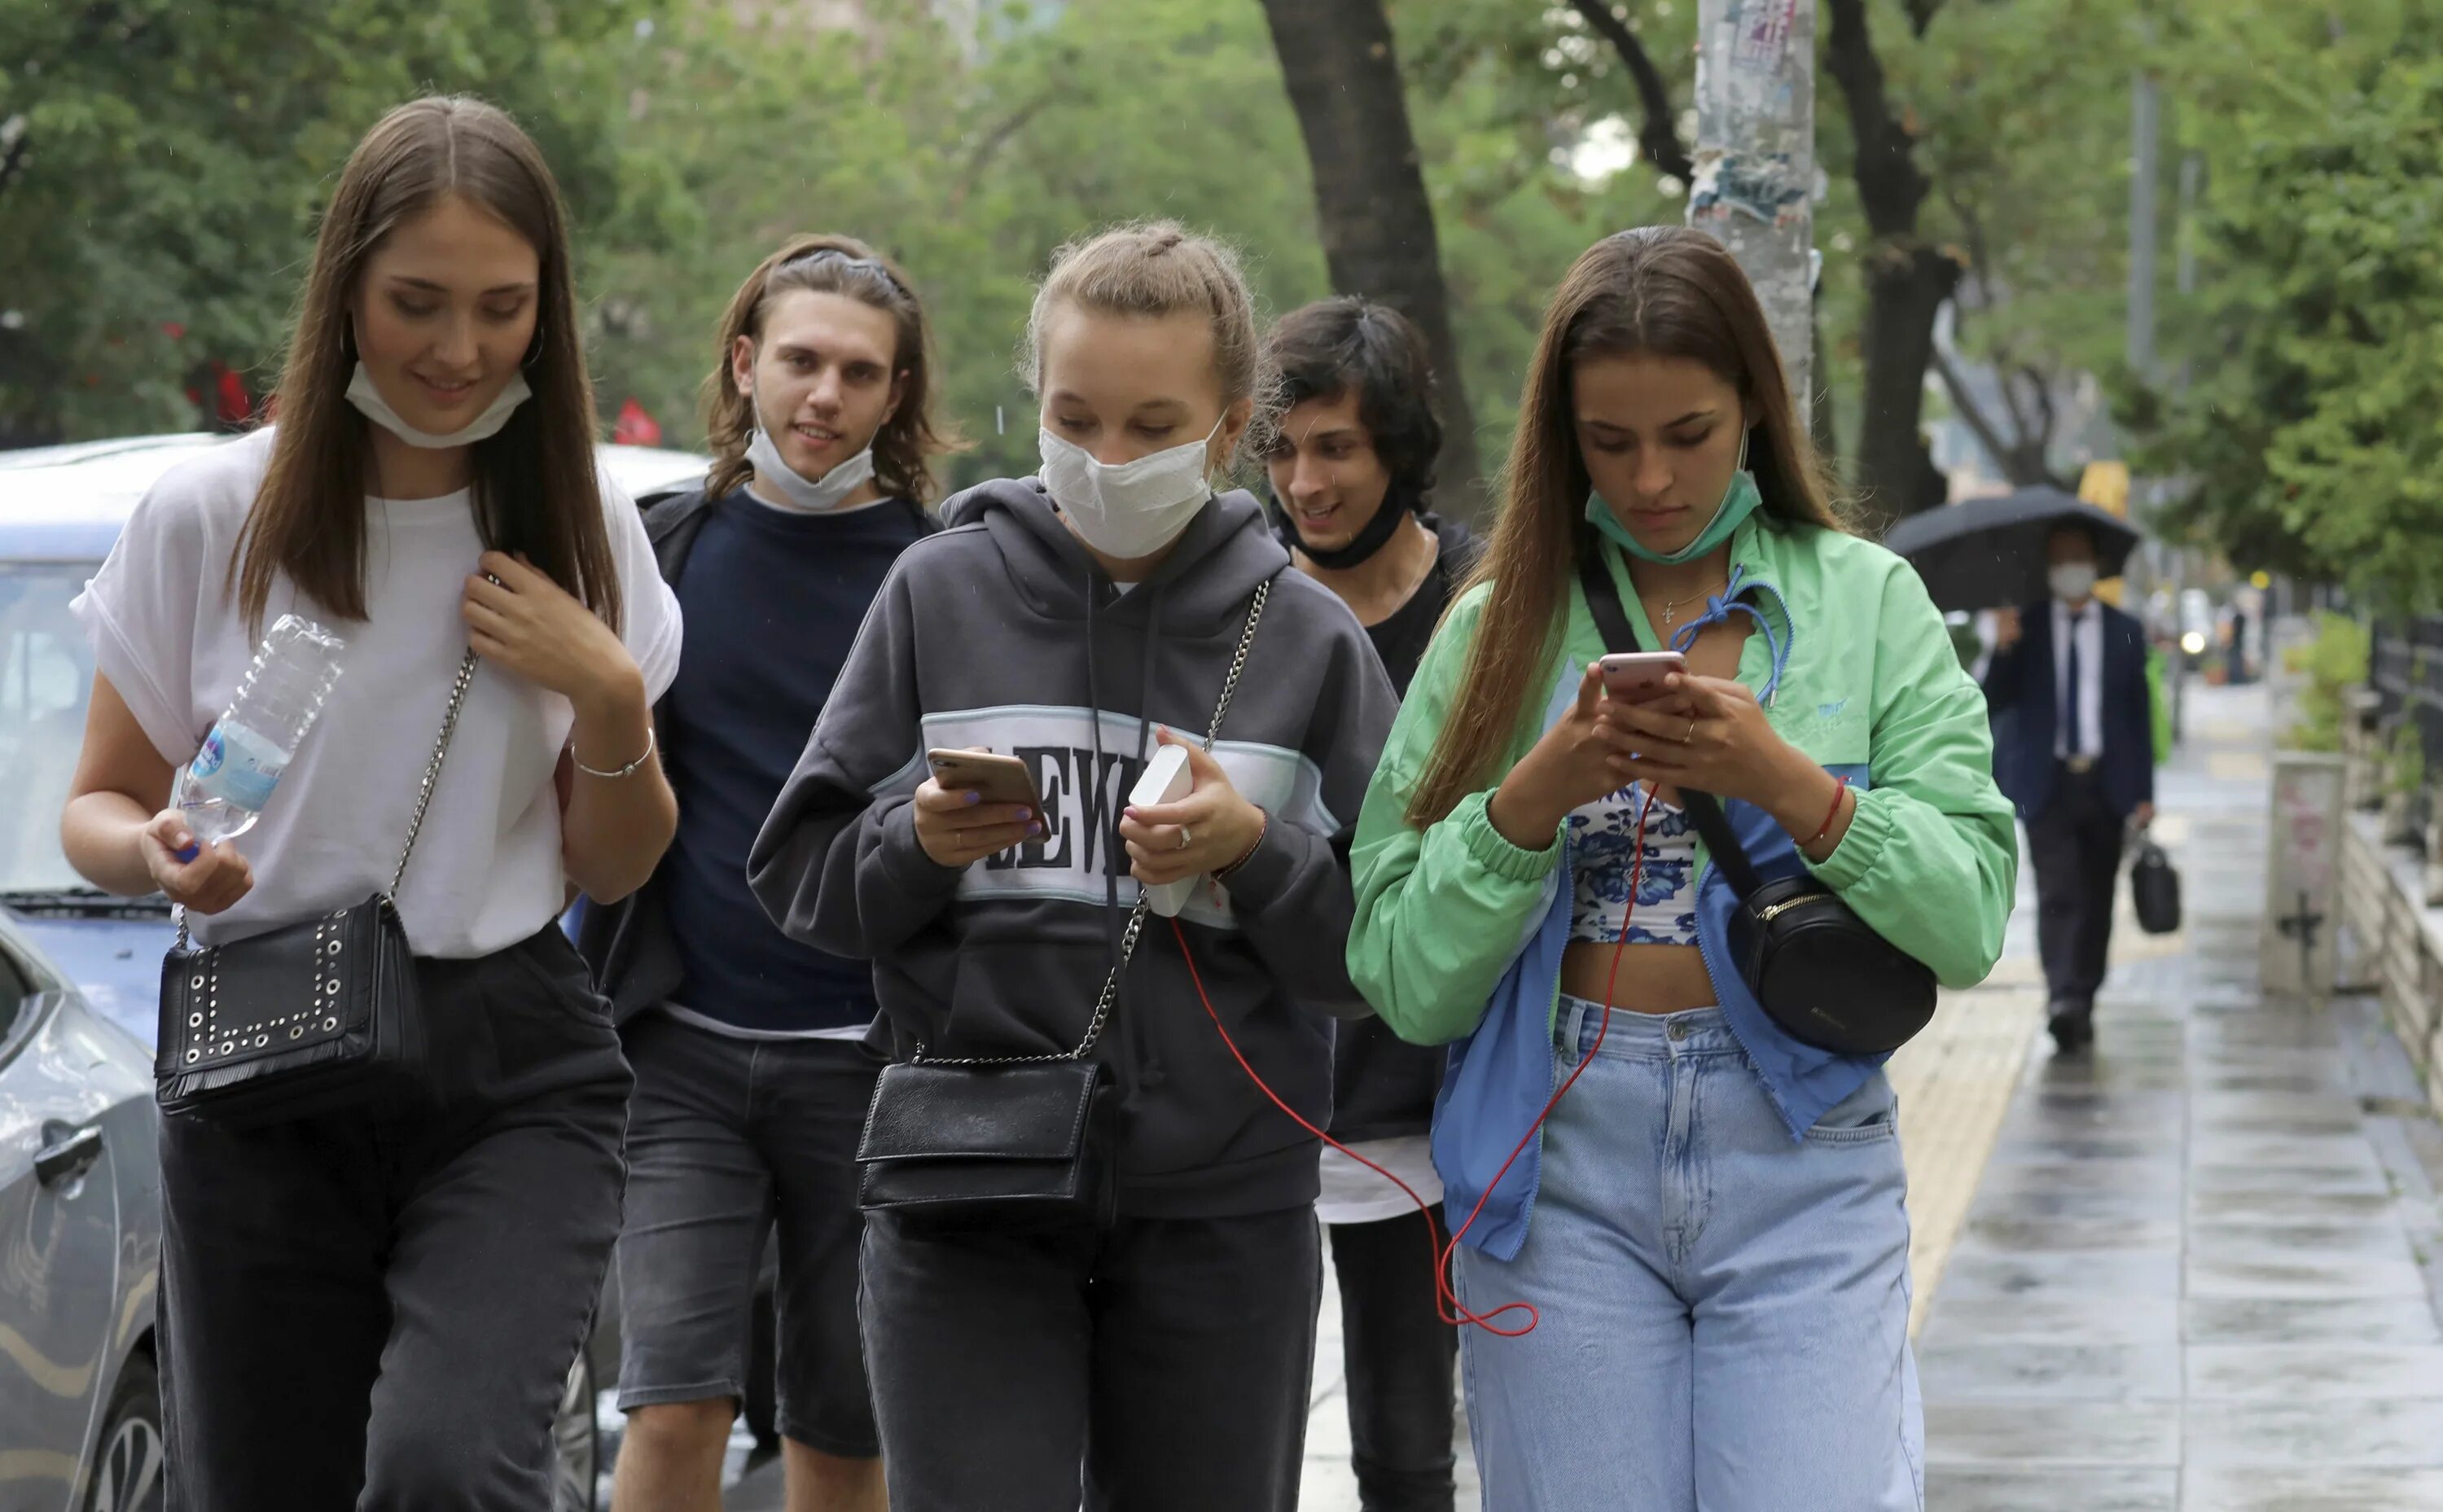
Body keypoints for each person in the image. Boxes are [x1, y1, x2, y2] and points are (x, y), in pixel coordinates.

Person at [59, 96, 682, 1510]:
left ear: (549, 310)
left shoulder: (584, 523)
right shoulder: (210, 513)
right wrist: (154, 854)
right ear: (346, 288)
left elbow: (619, 858)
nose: (460, 351)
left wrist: (610, 702)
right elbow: (93, 805)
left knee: (444, 1468)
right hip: (262, 1052)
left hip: (511, 1062)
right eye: (416, 302)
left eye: (502, 308)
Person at [1345, 226, 2017, 1510]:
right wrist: (1528, 802)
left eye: (1690, 434)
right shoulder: (1495, 629)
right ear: (1563, 436)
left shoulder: (1867, 601)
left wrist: (1793, 788)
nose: (1652, 479)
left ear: (1756, 410)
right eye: (1611, 441)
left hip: (1804, 1144)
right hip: (1557, 1166)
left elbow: (1972, 915)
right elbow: (1400, 975)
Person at [748, 221, 1399, 1512]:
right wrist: (916, 843)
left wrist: (1258, 856)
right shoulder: (937, 593)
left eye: (1152, 423)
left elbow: (1384, 957)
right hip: (966, 1185)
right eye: (1075, 416)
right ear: (1031, 406)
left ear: (1227, 429)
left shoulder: (1309, 635)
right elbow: (800, 878)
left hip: (1225, 1207)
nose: (1107, 458)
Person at [581, 234, 951, 1512]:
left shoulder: (944, 569)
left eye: (860, 372)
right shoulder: (661, 546)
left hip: (873, 1054)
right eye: (798, 360)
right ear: (744, 365)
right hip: (678, 1048)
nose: (823, 395)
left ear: (896, 395)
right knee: (672, 1402)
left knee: (844, 1431)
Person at [1262, 296, 1475, 1512]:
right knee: (1229, 1447)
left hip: (1430, 1109)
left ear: (1395, 444)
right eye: (1284, 451)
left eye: (1334, 447)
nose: (1305, 481)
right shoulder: (1238, 602)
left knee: (1406, 1450)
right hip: (1261, 1091)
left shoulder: (1484, 607)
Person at [1983, 522, 2156, 1053]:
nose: (2070, 567)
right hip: (2046, 782)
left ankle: (2084, 993)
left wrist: (2145, 793)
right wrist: (2004, 649)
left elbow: (2138, 712)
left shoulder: (2125, 627)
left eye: (2079, 556)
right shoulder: (2026, 627)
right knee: (2059, 893)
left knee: (2098, 894)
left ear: (2096, 563)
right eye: (2060, 558)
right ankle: (2062, 995)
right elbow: (1993, 699)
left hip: (2107, 782)